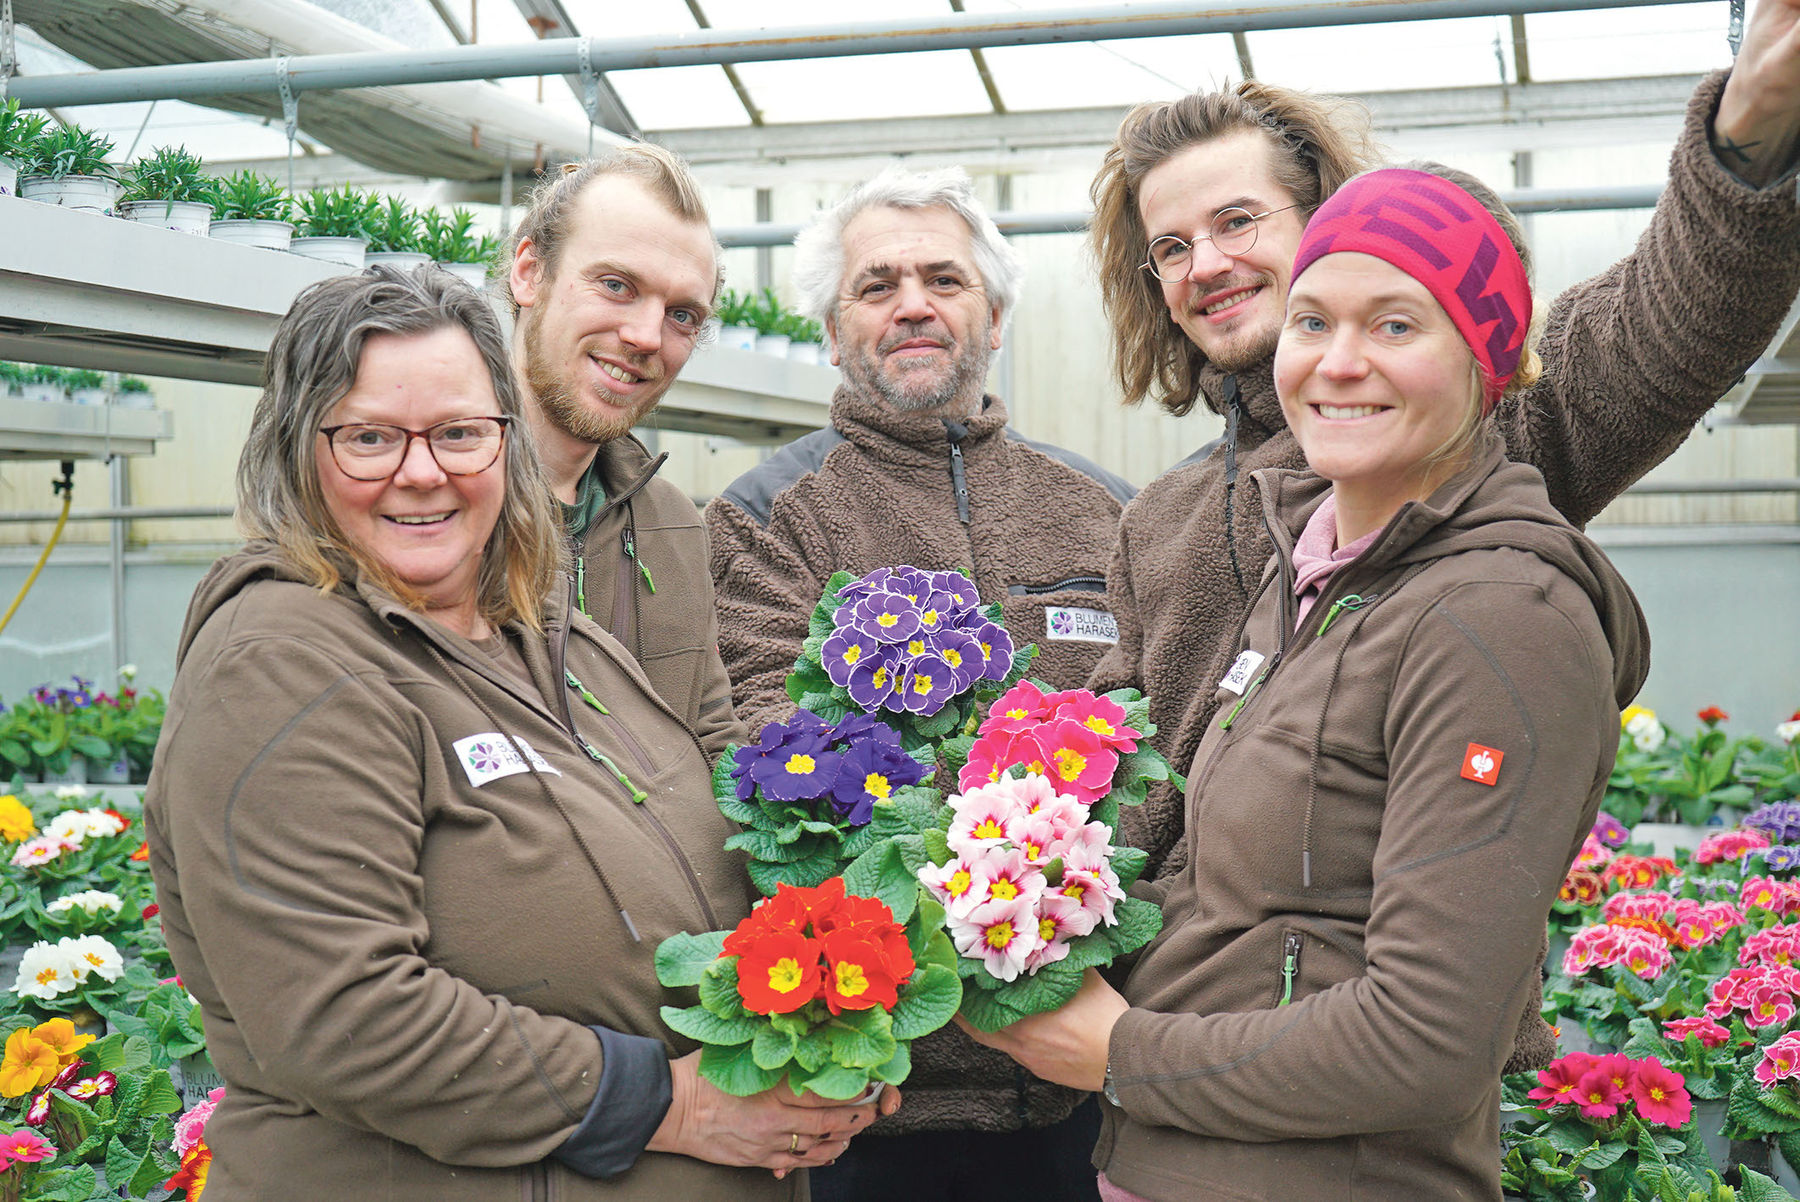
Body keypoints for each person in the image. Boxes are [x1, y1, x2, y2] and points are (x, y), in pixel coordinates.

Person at [968, 166, 1651, 1201]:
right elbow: (1249, 900)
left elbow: (1425, 1041)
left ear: (1492, 359)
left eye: (1394, 325)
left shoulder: (1498, 621)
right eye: (1312, 319)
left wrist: (1121, 1050)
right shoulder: (1317, 572)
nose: (1339, 362)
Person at [143, 266, 892, 1200]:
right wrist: (671, 1102)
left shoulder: (548, 636)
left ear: (506, 442)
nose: (424, 471)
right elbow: (344, 1016)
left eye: (460, 433)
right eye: (370, 437)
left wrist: (824, 1003)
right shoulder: (284, 664)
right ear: (301, 453)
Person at [1086, 0, 1800, 893]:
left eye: (1238, 222)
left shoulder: (1476, 427)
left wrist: (1747, 137)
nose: (1206, 265)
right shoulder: (1158, 524)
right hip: (1172, 1008)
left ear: (1329, 213)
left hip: (1403, 995)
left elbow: (1665, 322)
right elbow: (1114, 770)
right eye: (1172, 247)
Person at [705, 166, 1132, 1200]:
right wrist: (1000, 871)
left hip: (1092, 1079)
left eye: (943, 277)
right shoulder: (767, 513)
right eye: (877, 283)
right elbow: (768, 751)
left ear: (994, 311)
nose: (912, 304)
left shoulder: (1105, 511)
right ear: (834, 326)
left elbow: (1162, 732)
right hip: (874, 1090)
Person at [507, 144, 745, 761]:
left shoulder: (673, 523)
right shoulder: (431, 506)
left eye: (682, 315)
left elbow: (712, 736)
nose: (646, 336)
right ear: (529, 272)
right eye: (616, 285)